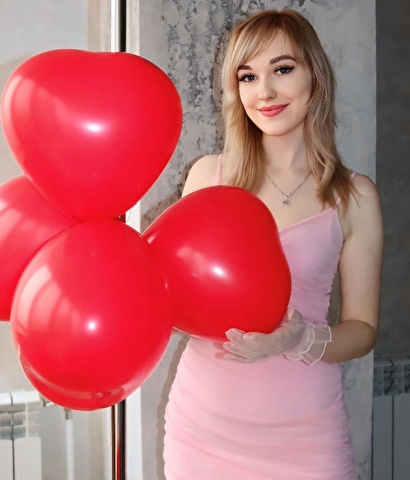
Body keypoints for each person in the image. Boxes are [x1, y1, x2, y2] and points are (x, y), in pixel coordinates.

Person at [162, 9, 383, 480]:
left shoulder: (354, 196)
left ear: (314, 77)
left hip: (307, 436)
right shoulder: (207, 177)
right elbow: (167, 292)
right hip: (202, 431)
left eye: (281, 69)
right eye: (248, 76)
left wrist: (299, 339)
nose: (263, 91)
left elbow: (363, 330)